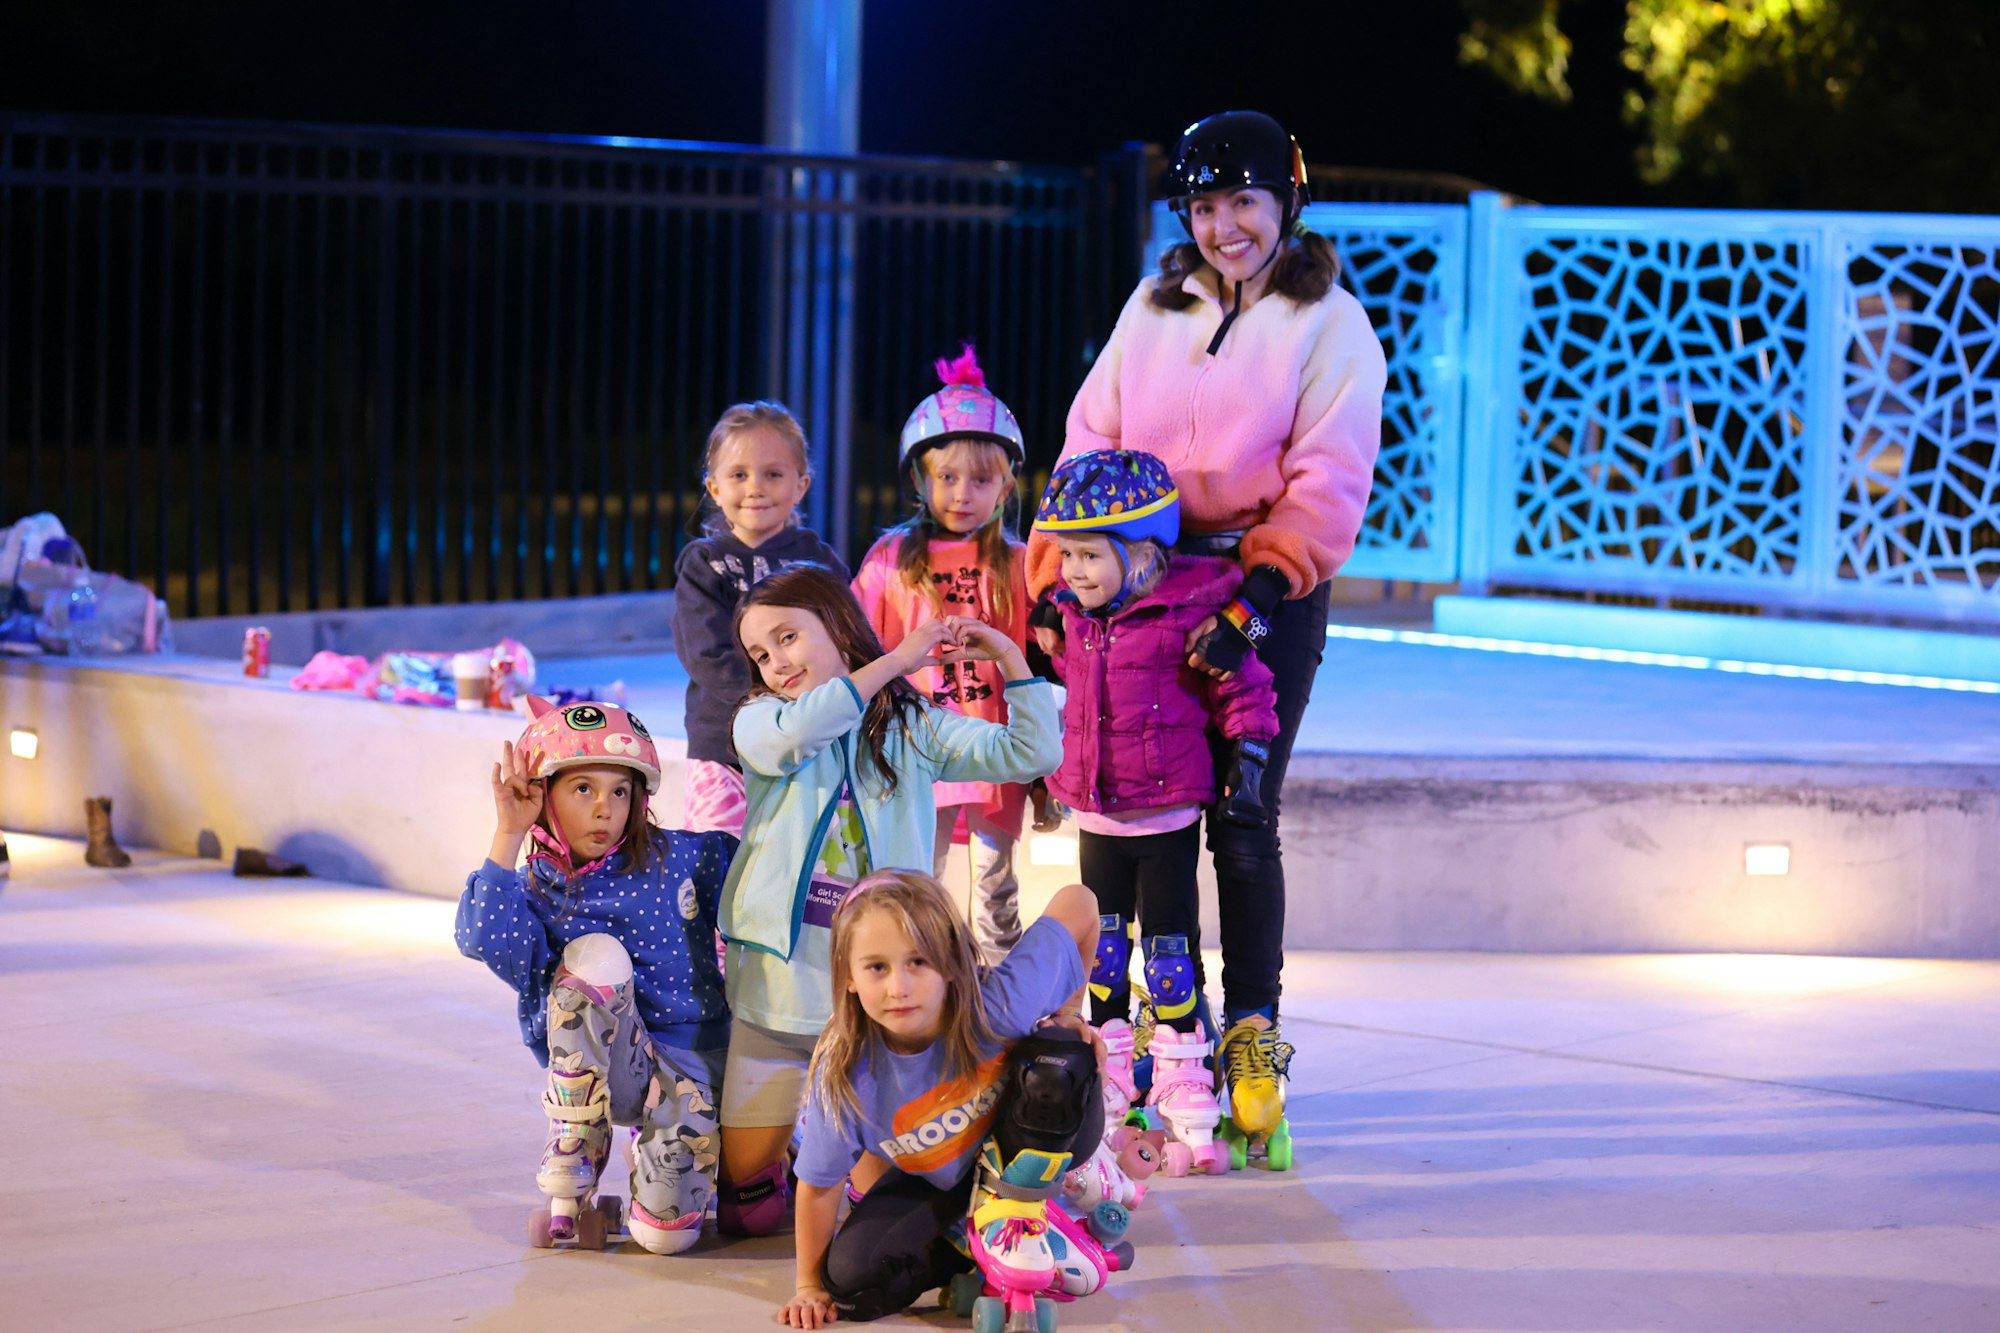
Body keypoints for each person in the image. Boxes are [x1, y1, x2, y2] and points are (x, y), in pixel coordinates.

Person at [1025, 109, 1386, 1168]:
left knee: (1238, 806)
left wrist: (1257, 598)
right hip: (1141, 575)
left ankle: (1248, 1035)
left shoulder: (1330, 326)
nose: (1224, 225)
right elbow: (1089, 436)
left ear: (1285, 203)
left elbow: (1327, 476)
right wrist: (1055, 569)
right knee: (1139, 808)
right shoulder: (1154, 305)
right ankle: (1139, 1030)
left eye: (1244, 201)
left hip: (1259, 580)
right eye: (1204, 204)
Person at [713, 564, 1063, 1236]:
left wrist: (1011, 657)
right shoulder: (760, 720)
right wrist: (898, 660)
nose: (776, 660)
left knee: (895, 1206)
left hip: (872, 1020)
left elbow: (1031, 750)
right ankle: (795, 1145)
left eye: (788, 636)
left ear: (837, 624)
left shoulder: (911, 725)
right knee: (748, 1210)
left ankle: (830, 1140)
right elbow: (794, 735)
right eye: (761, 652)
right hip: (778, 1001)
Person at [1031, 448, 1279, 1175]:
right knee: (1103, 955)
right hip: (1098, 816)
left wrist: (1249, 759)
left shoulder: (1191, 612)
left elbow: (1246, 683)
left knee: (1170, 956)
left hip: (1166, 815)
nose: (1071, 570)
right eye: (1065, 553)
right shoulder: (1076, 617)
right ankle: (1109, 1069)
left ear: (1141, 553)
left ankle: (1183, 1074)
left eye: (1088, 555)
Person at [455, 698, 733, 1254]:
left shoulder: (683, 858)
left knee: (664, 1240)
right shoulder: (536, 889)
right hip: (604, 1075)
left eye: (620, 791)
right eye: (583, 789)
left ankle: (654, 1169)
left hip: (692, 1066)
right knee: (595, 954)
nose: (605, 809)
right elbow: (481, 937)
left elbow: (765, 877)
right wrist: (509, 833)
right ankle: (577, 1137)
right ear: (544, 796)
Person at [778, 870, 1106, 1329]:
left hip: (1022, 1145)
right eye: (877, 967)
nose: (899, 987)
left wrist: (1069, 1012)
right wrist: (808, 1286)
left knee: (1062, 1055)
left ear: (952, 962)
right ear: (848, 976)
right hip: (940, 1182)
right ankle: (968, 1247)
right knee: (850, 1285)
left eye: (919, 961)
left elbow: (1081, 900)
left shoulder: (1000, 1004)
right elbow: (818, 1186)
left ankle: (1028, 1209)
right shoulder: (845, 1079)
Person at [852, 345, 1032, 969]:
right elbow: (858, 651)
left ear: (1007, 484)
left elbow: (1037, 661)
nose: (961, 493)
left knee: (994, 890)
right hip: (915, 752)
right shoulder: (890, 562)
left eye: (981, 479)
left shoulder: (1019, 563)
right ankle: (921, 995)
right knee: (916, 882)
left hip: (994, 752)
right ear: (919, 478)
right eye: (946, 476)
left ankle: (1003, 1007)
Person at [674, 401, 847, 837]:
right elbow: (706, 653)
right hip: (724, 746)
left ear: (801, 485)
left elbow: (847, 640)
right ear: (713, 488)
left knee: (805, 863)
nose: (755, 488)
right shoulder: (704, 563)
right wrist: (771, 709)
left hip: (809, 744)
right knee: (716, 861)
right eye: (738, 475)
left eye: (773, 474)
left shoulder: (817, 560)